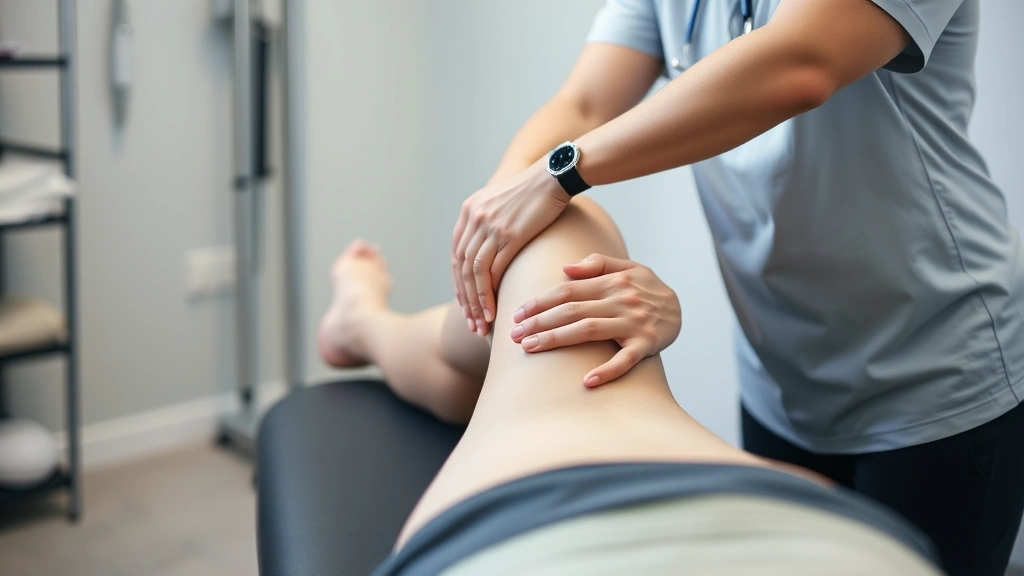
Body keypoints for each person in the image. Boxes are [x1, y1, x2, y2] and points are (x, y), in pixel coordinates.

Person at [444, 1, 1024, 575]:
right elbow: (585, 102)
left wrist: (554, 174)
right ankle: (364, 319)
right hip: (781, 371)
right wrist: (500, 214)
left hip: (938, 369)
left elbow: (802, 62)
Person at [318, 197, 942, 575]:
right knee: (539, 276)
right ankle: (376, 324)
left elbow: (533, 191)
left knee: (553, 230)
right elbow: (567, 126)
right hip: (821, 537)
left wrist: (550, 179)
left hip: (533, 530)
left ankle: (367, 320)